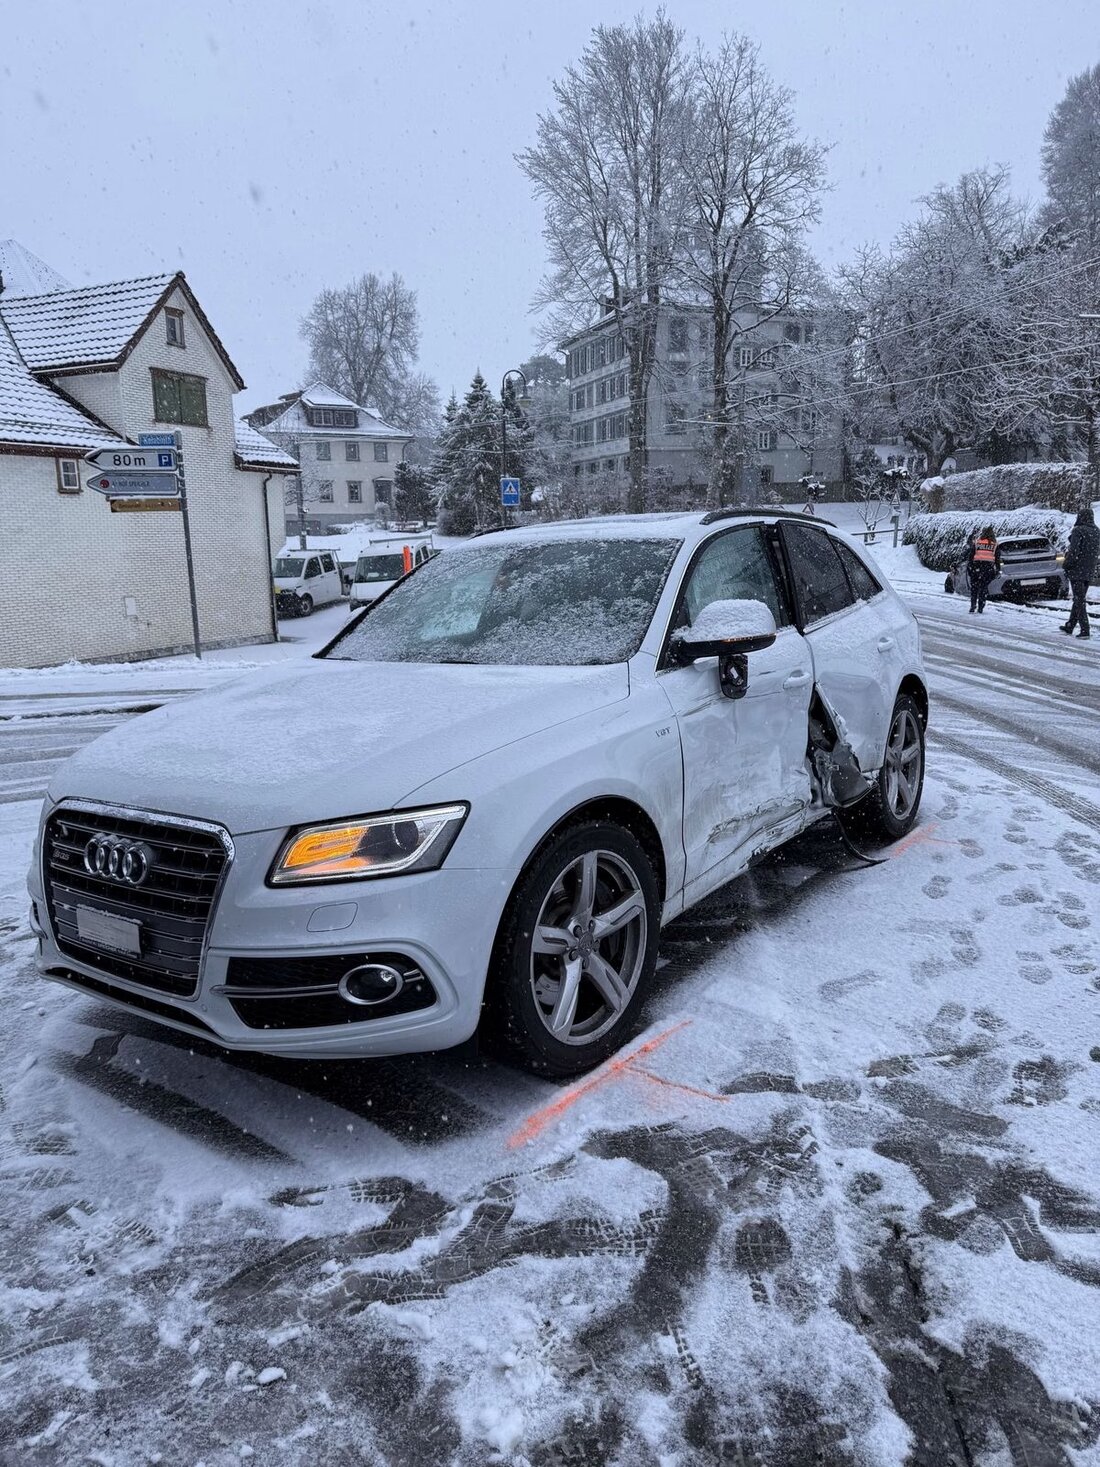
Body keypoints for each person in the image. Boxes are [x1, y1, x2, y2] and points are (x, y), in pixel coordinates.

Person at [1060, 505, 1099, 640]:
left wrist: (1066, 565)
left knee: (1079, 600)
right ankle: (1070, 625)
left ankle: (1085, 629)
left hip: (1077, 570)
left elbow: (1074, 552)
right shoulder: (1097, 531)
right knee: (1079, 599)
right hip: (1089, 570)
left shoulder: (1079, 530)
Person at [967, 524, 1001, 613]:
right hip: (988, 568)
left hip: (976, 567)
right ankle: (981, 607)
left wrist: (970, 567)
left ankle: (973, 605)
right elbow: (997, 558)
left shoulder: (977, 542)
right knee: (983, 588)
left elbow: (971, 556)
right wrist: (998, 569)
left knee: (974, 588)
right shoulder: (994, 544)